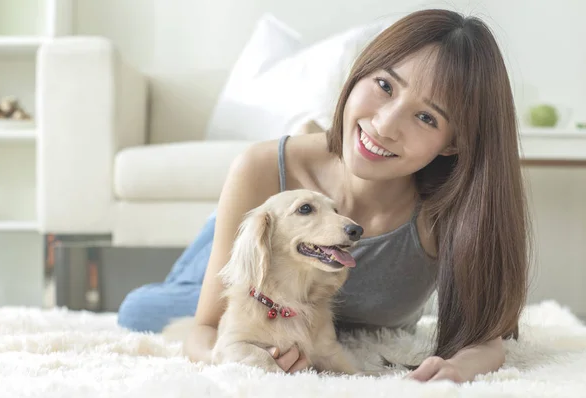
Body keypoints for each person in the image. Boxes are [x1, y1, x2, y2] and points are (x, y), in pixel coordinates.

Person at [117, 8, 530, 383]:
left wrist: (459, 368)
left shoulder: (450, 210)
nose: (385, 125)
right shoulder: (262, 168)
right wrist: (246, 359)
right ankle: (219, 234)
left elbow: (488, 336)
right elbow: (206, 331)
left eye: (426, 117)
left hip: (316, 317)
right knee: (143, 312)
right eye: (384, 84)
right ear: (361, 72)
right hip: (264, 248)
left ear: (452, 144)